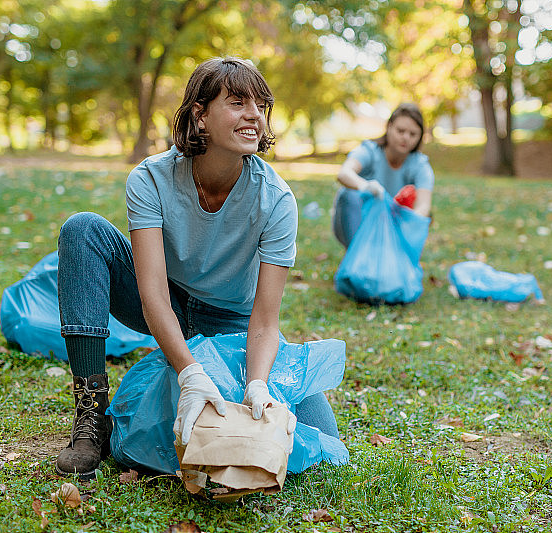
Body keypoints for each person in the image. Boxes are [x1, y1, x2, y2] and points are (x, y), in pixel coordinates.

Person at [55, 57, 339, 478]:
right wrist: (190, 373)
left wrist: (257, 384)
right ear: (199, 116)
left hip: (231, 319)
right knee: (83, 230)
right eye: (238, 102)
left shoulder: (276, 200)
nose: (253, 115)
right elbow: (151, 293)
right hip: (164, 302)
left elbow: (264, 319)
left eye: (260, 105)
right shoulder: (151, 179)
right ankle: (91, 417)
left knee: (322, 435)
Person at [332, 103, 434, 247]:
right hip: (360, 222)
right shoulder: (370, 151)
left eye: (412, 134)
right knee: (348, 195)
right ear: (389, 127)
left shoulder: (420, 165)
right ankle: (359, 256)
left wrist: (406, 223)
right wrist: (365, 186)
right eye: (401, 130)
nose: (405, 137)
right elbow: (344, 173)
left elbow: (424, 206)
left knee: (423, 217)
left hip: (394, 226)